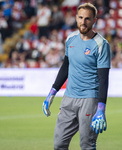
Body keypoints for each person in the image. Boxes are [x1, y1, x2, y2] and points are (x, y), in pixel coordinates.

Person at [42, 3, 111, 150]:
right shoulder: (70, 39)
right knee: (59, 144)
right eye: (80, 17)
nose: (83, 22)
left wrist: (101, 109)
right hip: (68, 99)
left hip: (89, 100)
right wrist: (52, 93)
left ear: (94, 21)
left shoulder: (101, 45)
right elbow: (65, 67)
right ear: (76, 18)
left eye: (87, 19)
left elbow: (103, 79)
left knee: (87, 146)